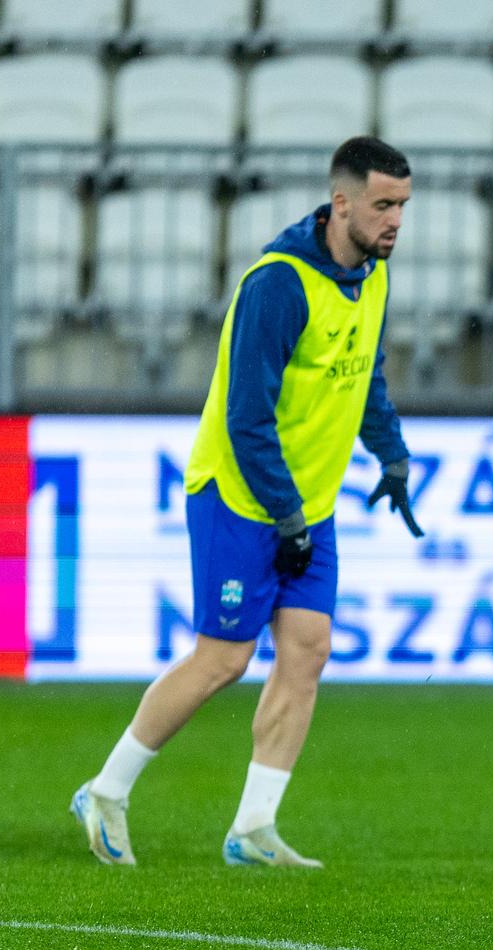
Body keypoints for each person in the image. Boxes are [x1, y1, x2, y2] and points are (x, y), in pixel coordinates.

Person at [72, 136, 423, 868]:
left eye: (402, 206)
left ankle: (253, 827)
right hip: (240, 495)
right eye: (383, 205)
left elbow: (367, 377)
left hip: (307, 504)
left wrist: (390, 452)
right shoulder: (279, 284)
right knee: (223, 657)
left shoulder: (375, 277)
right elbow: (246, 417)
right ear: (341, 203)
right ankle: (106, 789)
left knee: (307, 651)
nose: (395, 220)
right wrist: (286, 515)